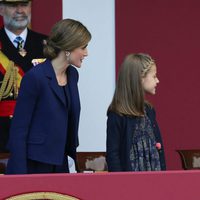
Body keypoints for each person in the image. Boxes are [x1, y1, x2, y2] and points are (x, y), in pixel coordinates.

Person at [6, 18, 91, 174]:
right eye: (83, 47)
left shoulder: (73, 75)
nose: (86, 53)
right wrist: (19, 176)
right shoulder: (35, 78)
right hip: (35, 163)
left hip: (61, 162)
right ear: (69, 47)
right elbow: (19, 130)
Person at [0, 0, 47, 153]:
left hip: (39, 133)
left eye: (24, 4)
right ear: (1, 9)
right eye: (13, 5)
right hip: (3, 135)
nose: (20, 10)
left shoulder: (48, 45)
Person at [106, 53, 166, 172]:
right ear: (140, 78)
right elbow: (113, 155)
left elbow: (158, 148)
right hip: (128, 184)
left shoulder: (149, 111)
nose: (157, 80)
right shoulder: (117, 114)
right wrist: (120, 184)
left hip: (155, 180)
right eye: (154, 76)